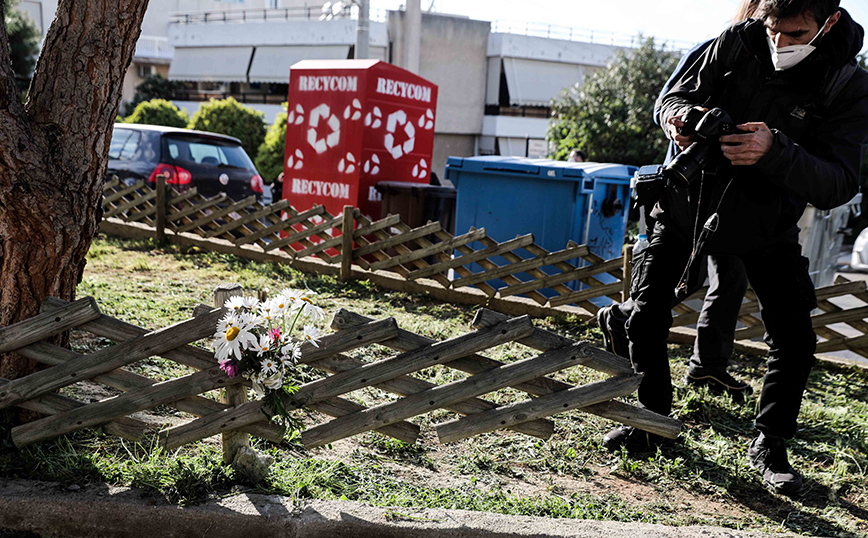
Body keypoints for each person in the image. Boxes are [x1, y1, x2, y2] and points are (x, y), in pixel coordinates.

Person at [605, 0, 868, 497]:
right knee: (645, 314)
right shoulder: (735, 41)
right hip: (685, 204)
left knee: (795, 339)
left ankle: (770, 446)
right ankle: (651, 422)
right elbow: (671, 96)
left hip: (766, 224)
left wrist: (777, 151)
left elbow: (839, 183)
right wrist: (681, 118)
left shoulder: (847, 84)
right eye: (772, 30)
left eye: (794, 34)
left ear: (829, 21)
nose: (779, 43)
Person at [598, 0, 760, 402]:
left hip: (739, 199)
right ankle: (622, 319)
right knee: (682, 280)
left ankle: (707, 367)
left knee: (732, 279)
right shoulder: (712, 51)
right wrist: (679, 122)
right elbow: (666, 104)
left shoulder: (784, 77)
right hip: (687, 194)